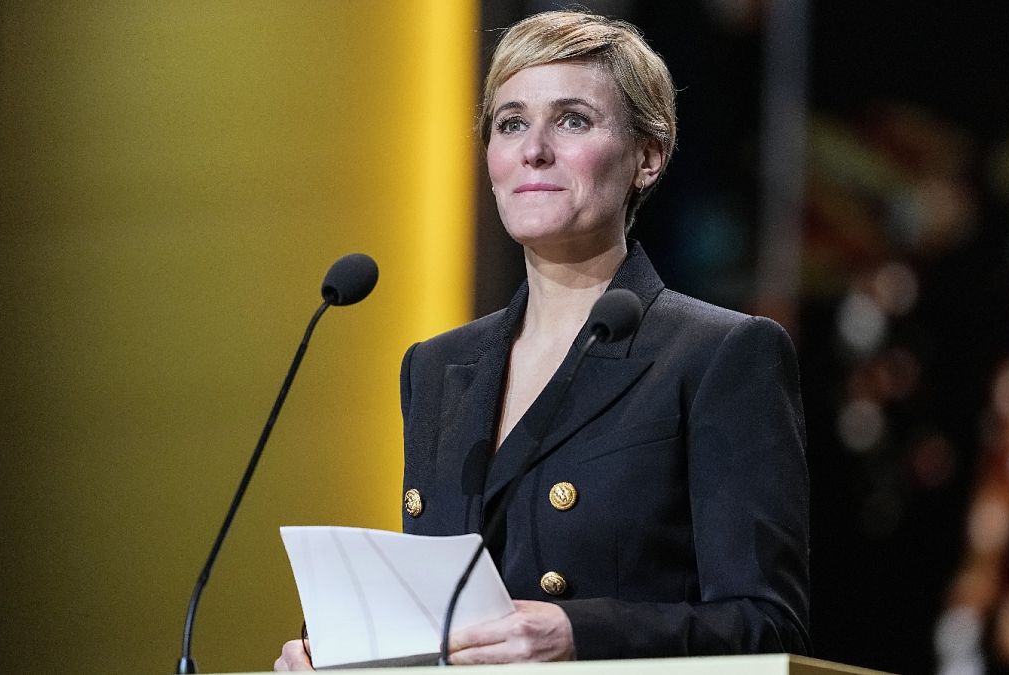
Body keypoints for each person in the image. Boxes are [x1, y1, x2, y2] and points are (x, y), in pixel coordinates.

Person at [275, 10, 808, 670]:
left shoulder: (718, 354)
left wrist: (579, 632)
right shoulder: (437, 367)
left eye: (573, 120)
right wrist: (348, 652)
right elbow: (446, 614)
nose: (534, 148)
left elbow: (767, 622)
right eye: (511, 122)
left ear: (649, 155)